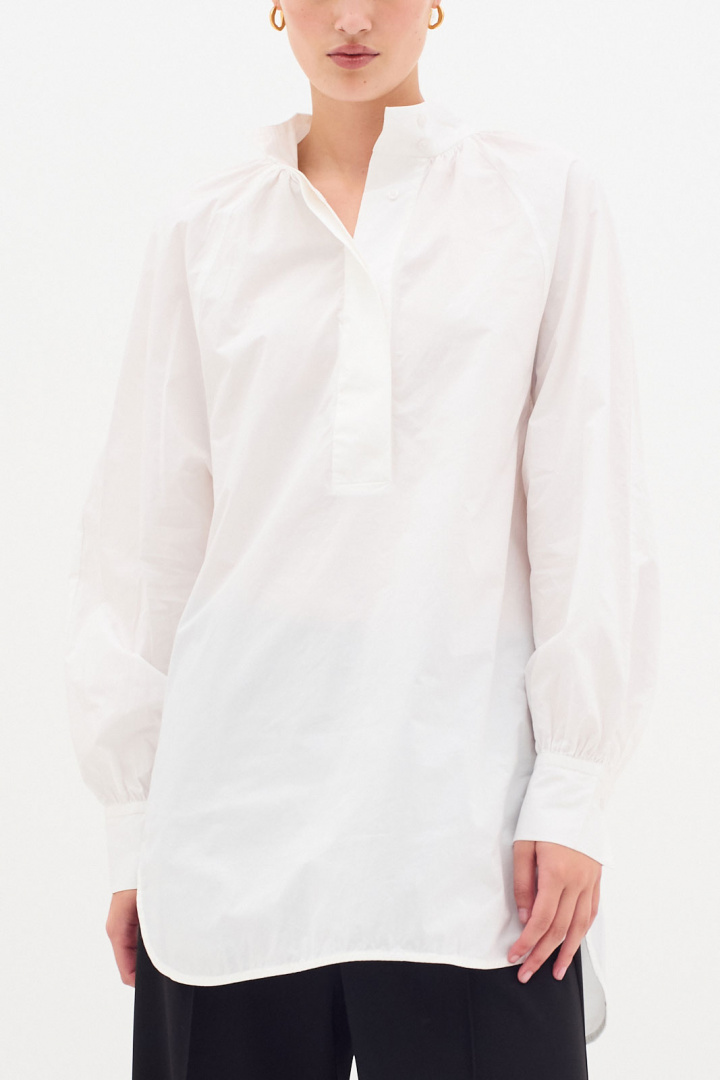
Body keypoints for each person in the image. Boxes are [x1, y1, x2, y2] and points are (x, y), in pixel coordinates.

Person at [63, 2, 661, 1078]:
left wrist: (573, 787)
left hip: (469, 837)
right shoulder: (205, 226)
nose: (350, 17)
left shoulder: (540, 199)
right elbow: (148, 536)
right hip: (228, 826)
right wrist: (134, 820)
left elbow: (590, 502)